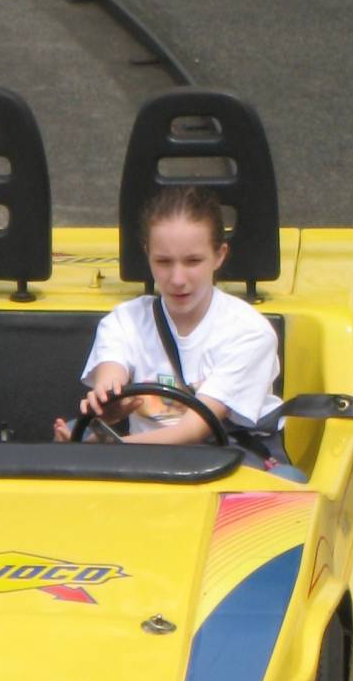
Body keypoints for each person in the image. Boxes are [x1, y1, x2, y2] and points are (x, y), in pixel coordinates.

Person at [52, 184, 300, 474]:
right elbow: (111, 375)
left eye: (193, 261)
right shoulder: (125, 320)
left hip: (220, 458)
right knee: (70, 436)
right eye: (163, 262)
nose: (177, 278)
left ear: (219, 256)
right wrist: (108, 407)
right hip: (145, 457)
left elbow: (192, 431)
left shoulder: (249, 332)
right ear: (148, 255)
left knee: (288, 480)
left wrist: (109, 450)